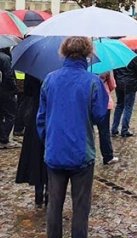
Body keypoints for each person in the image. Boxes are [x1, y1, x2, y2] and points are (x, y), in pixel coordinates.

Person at [37, 37, 108, 238]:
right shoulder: (92, 81)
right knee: (81, 206)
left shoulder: (49, 79)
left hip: (55, 152)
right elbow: (100, 115)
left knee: (54, 205)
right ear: (87, 54)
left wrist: (49, 140)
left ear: (64, 53)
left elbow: (41, 117)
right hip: (81, 152)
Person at [16, 74, 48, 207]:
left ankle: (39, 192)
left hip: (35, 112)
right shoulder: (57, 68)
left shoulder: (34, 68)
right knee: (47, 153)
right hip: (50, 114)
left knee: (36, 152)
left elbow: (27, 90)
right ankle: (49, 191)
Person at [0, 47, 20, 149]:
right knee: (10, 115)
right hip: (7, 91)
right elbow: (9, 75)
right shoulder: (5, 58)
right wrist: (15, 87)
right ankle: (4, 139)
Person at [111, 55, 137, 137]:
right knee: (128, 107)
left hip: (119, 83)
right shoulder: (133, 57)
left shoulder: (117, 57)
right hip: (130, 84)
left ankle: (114, 128)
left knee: (119, 105)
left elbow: (114, 71)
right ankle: (124, 130)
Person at [98, 71, 118, 165]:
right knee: (104, 131)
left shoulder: (88, 65)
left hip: (88, 102)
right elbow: (112, 85)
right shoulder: (107, 67)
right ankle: (107, 156)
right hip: (104, 102)